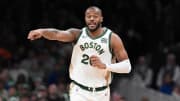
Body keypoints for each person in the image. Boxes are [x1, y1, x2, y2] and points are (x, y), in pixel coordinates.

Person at [27, 6, 131, 101]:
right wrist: (42, 31)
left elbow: (127, 67)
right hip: (79, 91)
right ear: (85, 18)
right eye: (88, 16)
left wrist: (105, 66)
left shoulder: (112, 38)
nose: (91, 19)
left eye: (95, 16)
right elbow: (57, 34)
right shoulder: (77, 34)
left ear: (101, 18)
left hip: (101, 93)